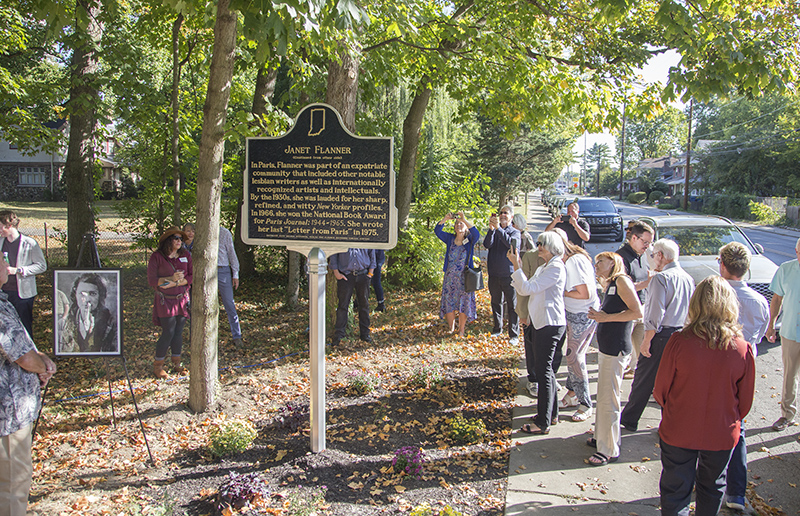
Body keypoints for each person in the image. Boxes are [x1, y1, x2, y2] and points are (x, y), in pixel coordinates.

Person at [654, 276, 755, 516]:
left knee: (675, 492)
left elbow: (661, 390)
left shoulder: (679, 341)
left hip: (679, 426)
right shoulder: (742, 348)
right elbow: (745, 400)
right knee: (712, 487)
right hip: (720, 431)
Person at [620, 238, 694, 432]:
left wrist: (647, 340)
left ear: (660, 256)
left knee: (644, 379)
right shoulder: (688, 278)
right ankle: (671, 423)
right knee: (672, 382)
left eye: (653, 255)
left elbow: (655, 312)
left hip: (661, 335)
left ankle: (629, 419)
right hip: (681, 334)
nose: (652, 259)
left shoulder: (661, 278)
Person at [0, 260, 56, 515]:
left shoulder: (3, 301)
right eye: (2, 261)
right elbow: (22, 356)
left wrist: (41, 358)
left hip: (13, 405)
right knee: (14, 476)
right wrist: (41, 366)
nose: (7, 265)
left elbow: (23, 344)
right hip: (8, 411)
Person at [718, 242, 769, 510]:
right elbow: (757, 337)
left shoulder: (713, 297)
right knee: (737, 426)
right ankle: (736, 492)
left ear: (722, 265)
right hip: (744, 368)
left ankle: (710, 480)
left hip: (716, 365)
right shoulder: (759, 301)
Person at [586, 252, 642, 465]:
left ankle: (609, 449)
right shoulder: (610, 284)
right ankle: (601, 438)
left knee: (610, 399)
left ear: (613, 263)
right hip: (607, 347)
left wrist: (606, 318)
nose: (596, 264)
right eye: (596, 261)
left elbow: (636, 312)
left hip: (617, 348)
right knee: (603, 396)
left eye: (601, 261)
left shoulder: (622, 281)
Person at [509, 231, 566, 435]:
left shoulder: (556, 268)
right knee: (546, 371)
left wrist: (517, 265)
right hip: (541, 323)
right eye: (539, 242)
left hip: (549, 325)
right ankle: (552, 414)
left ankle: (542, 422)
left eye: (542, 243)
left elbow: (527, 288)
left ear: (552, 246)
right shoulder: (544, 267)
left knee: (543, 373)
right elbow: (527, 288)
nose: (538, 246)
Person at [553, 228, 599, 422]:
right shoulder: (569, 260)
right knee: (573, 356)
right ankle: (571, 395)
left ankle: (585, 403)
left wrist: (559, 292)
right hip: (573, 314)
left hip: (583, 315)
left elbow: (584, 293)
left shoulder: (574, 261)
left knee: (574, 358)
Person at [147, 226, 193, 378]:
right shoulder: (157, 257)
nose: (179, 241)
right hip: (165, 301)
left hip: (181, 299)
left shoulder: (186, 254)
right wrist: (170, 280)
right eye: (176, 238)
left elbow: (192, 275)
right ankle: (158, 365)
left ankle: (177, 363)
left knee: (179, 332)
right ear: (168, 240)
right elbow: (152, 280)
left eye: (181, 238)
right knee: (168, 331)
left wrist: (179, 283)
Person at [767, 237, 800, 432]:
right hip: (790, 331)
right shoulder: (786, 269)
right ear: (796, 252)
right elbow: (777, 298)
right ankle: (787, 414)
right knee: (790, 376)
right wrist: (771, 324)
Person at [616, 220, 654, 378]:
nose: (647, 246)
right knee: (621, 354)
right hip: (626, 310)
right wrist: (646, 283)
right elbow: (622, 287)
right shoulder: (621, 257)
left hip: (642, 308)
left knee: (643, 353)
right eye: (645, 242)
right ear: (633, 238)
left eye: (650, 243)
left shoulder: (642, 255)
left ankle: (644, 387)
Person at [0, 210, 47, 337]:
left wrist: (19, 270)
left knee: (24, 326)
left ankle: (30, 354)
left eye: (0, 227)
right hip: (3, 293)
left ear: (9, 226)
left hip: (22, 293)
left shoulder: (30, 243)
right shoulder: (1, 242)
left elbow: (42, 266)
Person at [435, 212, 479, 337]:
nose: (459, 225)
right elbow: (437, 231)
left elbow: (477, 234)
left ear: (465, 227)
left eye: (461, 224)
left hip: (465, 278)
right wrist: (445, 218)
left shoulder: (470, 240)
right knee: (449, 301)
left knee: (463, 303)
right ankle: (451, 328)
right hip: (450, 278)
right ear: (454, 227)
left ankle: (461, 330)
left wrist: (464, 219)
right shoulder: (449, 239)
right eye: (457, 223)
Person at [484, 205, 521, 345]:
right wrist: (492, 230)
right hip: (494, 273)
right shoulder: (494, 231)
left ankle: (514, 334)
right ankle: (497, 328)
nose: (503, 215)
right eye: (501, 213)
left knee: (512, 305)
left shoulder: (515, 232)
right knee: (496, 302)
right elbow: (487, 244)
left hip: (509, 274)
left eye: (506, 213)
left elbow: (511, 246)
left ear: (511, 216)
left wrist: (499, 229)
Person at [57, 273, 117, 353]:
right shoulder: (64, 323)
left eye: (92, 294)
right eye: (82, 294)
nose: (87, 299)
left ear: (100, 296)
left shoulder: (111, 322)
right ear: (75, 295)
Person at [329, 248, 376, 347]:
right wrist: (336, 272)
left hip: (363, 275)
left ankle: (365, 334)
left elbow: (372, 251)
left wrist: (370, 273)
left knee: (364, 305)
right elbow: (334, 253)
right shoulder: (343, 234)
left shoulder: (366, 234)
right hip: (346, 275)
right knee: (342, 306)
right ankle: (339, 336)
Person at [515, 246, 545, 398]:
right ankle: (533, 378)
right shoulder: (531, 257)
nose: (541, 247)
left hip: (551, 315)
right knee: (532, 345)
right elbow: (523, 287)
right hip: (532, 312)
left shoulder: (561, 261)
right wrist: (522, 312)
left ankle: (547, 378)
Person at [218, 226, 243, 347]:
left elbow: (231, 252)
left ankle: (237, 335)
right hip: (206, 270)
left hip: (222, 270)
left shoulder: (224, 232)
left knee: (229, 303)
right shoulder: (201, 230)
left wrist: (235, 274)